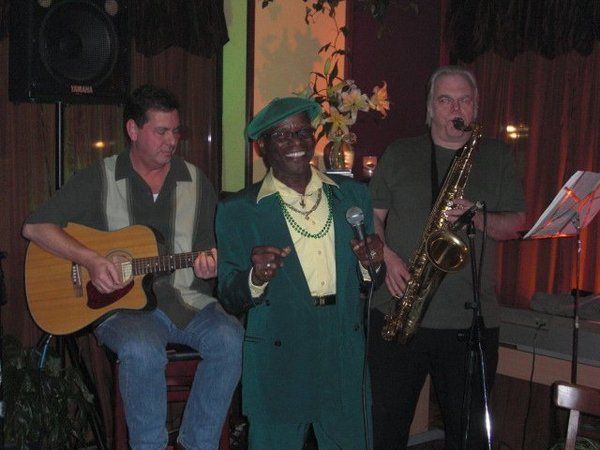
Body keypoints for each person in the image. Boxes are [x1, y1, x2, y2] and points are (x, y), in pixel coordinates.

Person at [22, 84, 244, 450]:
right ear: (133, 130)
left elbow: (209, 250)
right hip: (121, 309)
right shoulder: (101, 177)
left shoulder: (196, 181)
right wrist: (90, 259)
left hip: (187, 300)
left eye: (176, 132)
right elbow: (35, 228)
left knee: (231, 338)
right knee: (142, 349)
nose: (171, 141)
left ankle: (197, 444)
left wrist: (210, 268)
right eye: (161, 131)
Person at [368, 66, 526, 449]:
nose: (456, 108)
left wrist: (478, 216)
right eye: (445, 99)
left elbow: (517, 224)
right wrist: (387, 257)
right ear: (430, 108)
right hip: (397, 310)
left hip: (469, 322)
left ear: (475, 108)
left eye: (464, 100)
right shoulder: (400, 153)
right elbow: (372, 216)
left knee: (469, 437)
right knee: (384, 431)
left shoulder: (496, 156)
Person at [216, 97, 385, 450]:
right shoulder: (238, 210)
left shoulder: (352, 196)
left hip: (342, 346)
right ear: (263, 146)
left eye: (303, 132)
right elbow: (229, 296)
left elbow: (372, 278)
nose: (296, 142)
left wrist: (371, 264)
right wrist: (255, 278)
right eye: (282, 135)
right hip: (279, 352)